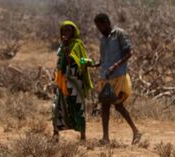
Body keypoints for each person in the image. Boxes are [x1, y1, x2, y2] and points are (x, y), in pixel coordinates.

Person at [93, 13, 141, 145]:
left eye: (101, 25)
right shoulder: (102, 40)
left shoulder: (119, 34)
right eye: (97, 26)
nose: (99, 28)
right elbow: (102, 60)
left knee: (118, 105)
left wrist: (115, 66)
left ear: (107, 22)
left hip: (118, 75)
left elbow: (129, 52)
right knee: (105, 106)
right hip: (105, 77)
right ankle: (105, 138)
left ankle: (135, 131)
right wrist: (93, 64)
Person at [53, 20, 94, 141]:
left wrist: (66, 49)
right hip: (62, 81)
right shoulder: (61, 46)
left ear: (73, 32)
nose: (66, 33)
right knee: (57, 107)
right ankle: (55, 133)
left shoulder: (77, 44)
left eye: (68, 30)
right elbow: (60, 63)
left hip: (75, 81)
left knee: (78, 107)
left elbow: (76, 61)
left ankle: (83, 136)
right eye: (64, 30)